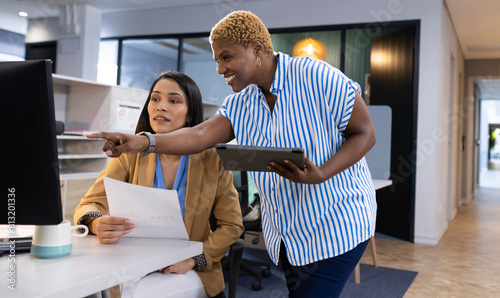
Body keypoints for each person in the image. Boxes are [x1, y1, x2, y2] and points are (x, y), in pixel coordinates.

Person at [90, 11, 377, 298]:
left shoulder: (316, 76)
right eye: (217, 60)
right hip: (288, 236)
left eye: (226, 57)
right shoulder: (240, 103)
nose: (220, 68)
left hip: (336, 223)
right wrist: (142, 142)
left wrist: (322, 173)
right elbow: (200, 135)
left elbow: (365, 132)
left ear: (256, 49)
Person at [74, 71, 244, 298]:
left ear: (190, 114)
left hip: (185, 265)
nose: (160, 107)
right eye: (155, 99)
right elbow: (88, 204)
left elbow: (232, 225)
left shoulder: (212, 160)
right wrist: (96, 224)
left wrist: (194, 259)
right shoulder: (130, 154)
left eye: (173, 101)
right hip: (134, 259)